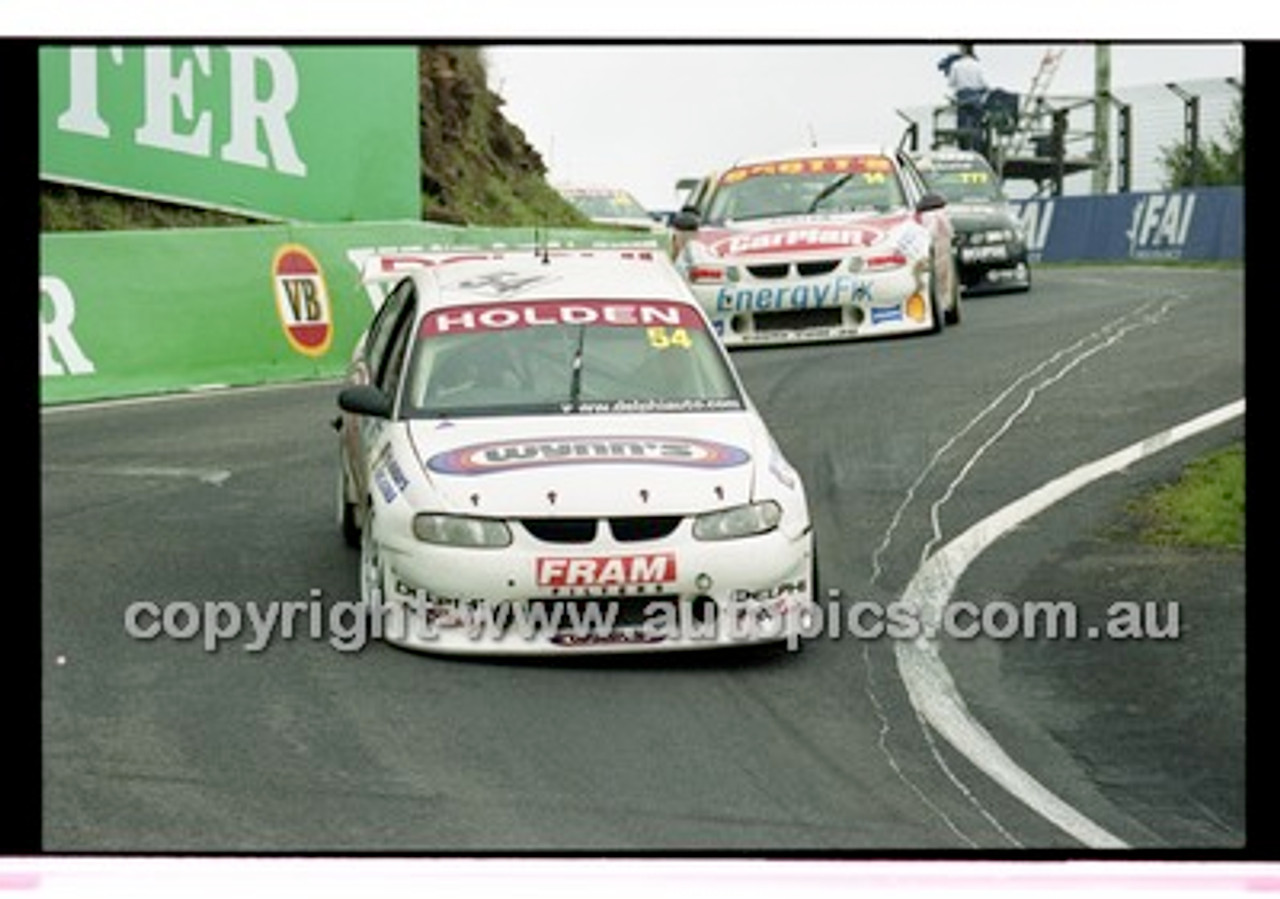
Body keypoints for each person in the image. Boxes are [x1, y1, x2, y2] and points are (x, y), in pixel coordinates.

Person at [938, 44, 989, 152]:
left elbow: (951, 83)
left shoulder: (956, 65)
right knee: (977, 126)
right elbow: (984, 84)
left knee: (962, 126)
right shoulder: (977, 65)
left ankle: (964, 149)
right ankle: (977, 149)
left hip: (962, 98)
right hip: (976, 98)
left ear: (963, 50)